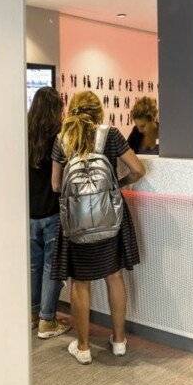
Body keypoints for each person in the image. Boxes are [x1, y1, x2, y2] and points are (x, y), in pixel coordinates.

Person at [51, 91, 146, 364]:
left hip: (75, 221)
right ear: (98, 111)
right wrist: (117, 185)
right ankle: (118, 341)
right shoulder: (111, 135)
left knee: (79, 282)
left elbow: (56, 185)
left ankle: (82, 347)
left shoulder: (62, 139)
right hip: (110, 218)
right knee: (114, 276)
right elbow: (138, 169)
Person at [28, 87, 69, 339]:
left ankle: (33, 315)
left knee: (33, 266)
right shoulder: (58, 137)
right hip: (52, 210)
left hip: (28, 213)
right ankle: (47, 320)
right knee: (51, 267)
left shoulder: (25, 135)